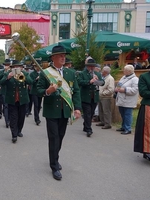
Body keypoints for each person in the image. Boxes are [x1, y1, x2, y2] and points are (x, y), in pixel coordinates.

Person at [36, 45, 81, 180]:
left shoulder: (70, 73)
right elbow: (37, 90)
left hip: (65, 111)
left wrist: (77, 108)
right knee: (54, 138)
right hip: (51, 111)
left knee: (60, 137)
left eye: (64, 55)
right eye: (60, 55)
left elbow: (76, 91)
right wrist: (47, 91)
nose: (63, 57)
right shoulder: (45, 73)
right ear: (53, 58)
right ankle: (54, 165)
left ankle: (55, 157)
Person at [0, 60, 33, 143]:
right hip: (12, 99)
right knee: (13, 117)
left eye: (18, 67)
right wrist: (8, 77)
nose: (16, 68)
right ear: (12, 68)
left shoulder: (25, 73)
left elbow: (31, 82)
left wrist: (24, 76)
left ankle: (19, 130)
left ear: (21, 67)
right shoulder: (7, 74)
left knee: (21, 117)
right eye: (14, 67)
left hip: (23, 99)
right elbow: (1, 82)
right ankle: (14, 135)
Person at [134, 54, 150, 162]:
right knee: (149, 130)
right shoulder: (145, 76)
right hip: (149, 107)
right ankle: (149, 151)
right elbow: (143, 92)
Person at [78, 58, 104, 137]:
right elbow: (79, 82)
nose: (92, 68)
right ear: (87, 67)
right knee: (87, 113)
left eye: (93, 66)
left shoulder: (97, 74)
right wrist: (90, 81)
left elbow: (103, 82)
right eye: (90, 66)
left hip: (94, 97)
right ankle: (89, 130)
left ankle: (86, 125)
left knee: (91, 113)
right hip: (85, 97)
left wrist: (98, 81)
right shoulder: (82, 73)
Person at [115, 65, 139, 135]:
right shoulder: (124, 77)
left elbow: (135, 90)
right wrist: (117, 88)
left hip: (128, 100)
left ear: (129, 71)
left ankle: (128, 128)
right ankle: (123, 126)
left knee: (127, 115)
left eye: (125, 70)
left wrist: (125, 90)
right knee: (122, 114)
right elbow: (119, 84)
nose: (123, 71)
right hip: (121, 99)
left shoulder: (135, 79)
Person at [30, 61, 43, 125]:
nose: (37, 68)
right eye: (36, 66)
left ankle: (37, 116)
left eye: (38, 66)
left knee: (39, 106)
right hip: (34, 91)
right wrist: (36, 79)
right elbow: (31, 82)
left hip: (40, 91)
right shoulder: (32, 74)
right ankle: (37, 119)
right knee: (36, 105)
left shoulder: (41, 73)